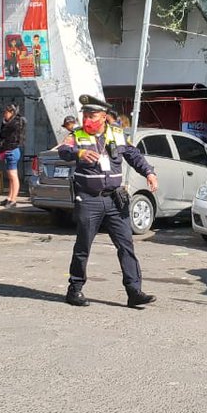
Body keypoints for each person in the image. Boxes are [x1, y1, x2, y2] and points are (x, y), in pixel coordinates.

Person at [59, 94, 158, 308]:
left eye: (92, 115)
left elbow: (134, 155)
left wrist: (149, 173)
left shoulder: (117, 134)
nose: (87, 119)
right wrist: (79, 152)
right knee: (83, 246)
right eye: (85, 115)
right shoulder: (77, 135)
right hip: (89, 200)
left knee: (126, 245)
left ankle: (134, 291)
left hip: (115, 200)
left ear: (104, 117)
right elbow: (64, 151)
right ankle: (74, 290)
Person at [0, 102, 25, 207]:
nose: (5, 114)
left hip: (12, 150)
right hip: (8, 150)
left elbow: (7, 135)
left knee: (13, 175)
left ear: (12, 112)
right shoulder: (8, 122)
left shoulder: (16, 123)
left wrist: (5, 123)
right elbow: (2, 135)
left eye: (6, 112)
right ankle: (9, 197)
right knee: (10, 175)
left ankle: (14, 199)